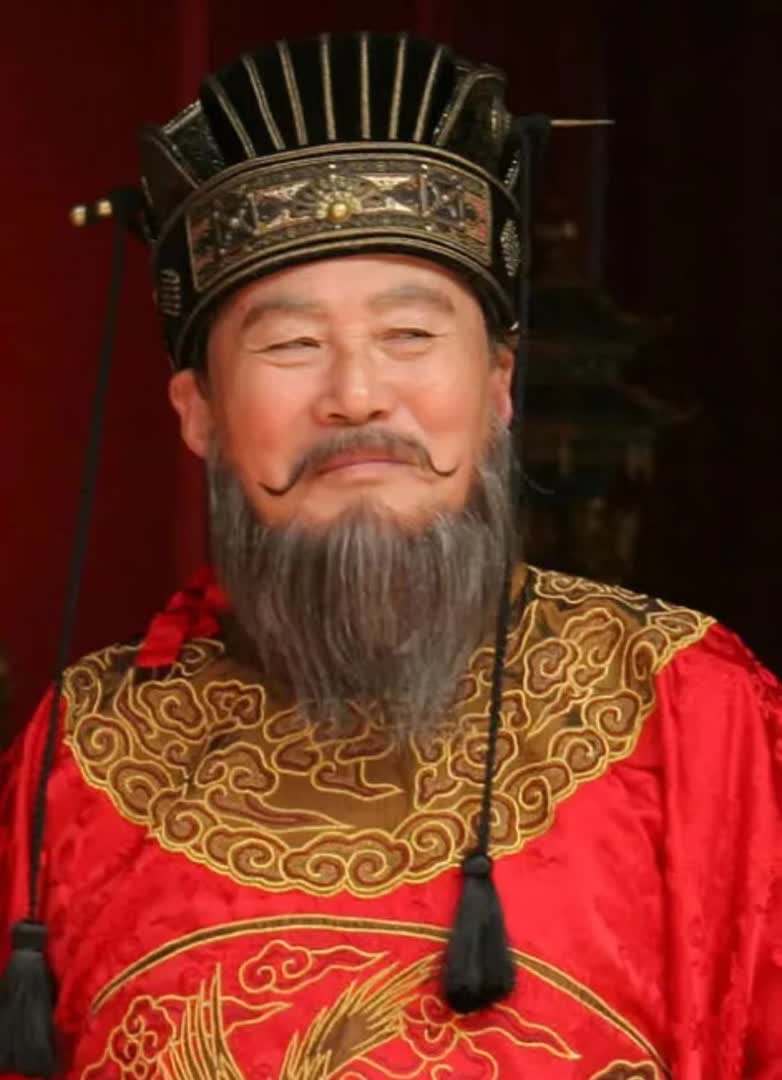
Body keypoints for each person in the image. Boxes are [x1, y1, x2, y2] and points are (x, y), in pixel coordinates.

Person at [1, 30, 780, 1080]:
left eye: (410, 336)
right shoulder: (83, 753)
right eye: (290, 344)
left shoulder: (688, 710)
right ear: (199, 413)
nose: (357, 395)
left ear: (498, 387)